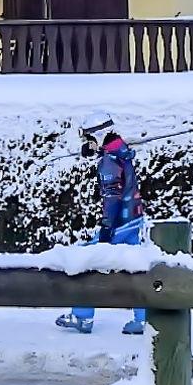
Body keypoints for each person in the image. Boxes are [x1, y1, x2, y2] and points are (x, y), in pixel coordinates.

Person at [55, 111, 147, 337]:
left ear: (99, 135)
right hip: (134, 219)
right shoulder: (119, 151)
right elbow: (113, 152)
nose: (87, 143)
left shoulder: (109, 161)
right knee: (137, 268)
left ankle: (82, 316)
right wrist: (96, 151)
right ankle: (145, 319)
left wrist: (107, 227)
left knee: (85, 260)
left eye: (89, 138)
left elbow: (111, 197)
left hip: (120, 223)